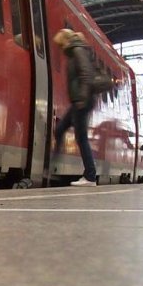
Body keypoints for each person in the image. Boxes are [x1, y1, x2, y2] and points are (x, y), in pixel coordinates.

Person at [52, 28, 97, 186]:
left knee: (81, 138)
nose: (60, 48)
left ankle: (90, 176)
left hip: (82, 100)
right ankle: (51, 165)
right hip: (79, 100)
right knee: (60, 129)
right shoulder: (75, 51)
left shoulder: (78, 51)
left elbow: (86, 74)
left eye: (60, 44)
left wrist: (82, 97)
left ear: (65, 41)